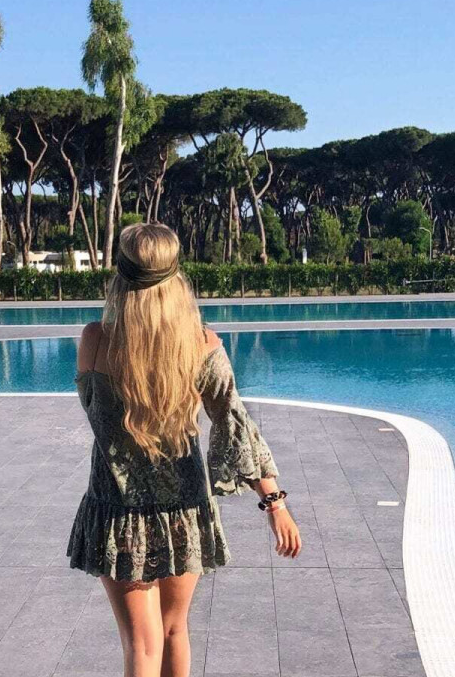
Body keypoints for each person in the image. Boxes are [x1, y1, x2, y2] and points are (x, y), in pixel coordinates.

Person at [69, 222, 301, 677]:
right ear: (177, 279)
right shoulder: (202, 344)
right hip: (184, 510)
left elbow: (95, 413)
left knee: (142, 644)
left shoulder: (95, 340)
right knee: (174, 631)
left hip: (118, 510)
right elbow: (235, 424)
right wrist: (274, 503)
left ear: (119, 277)